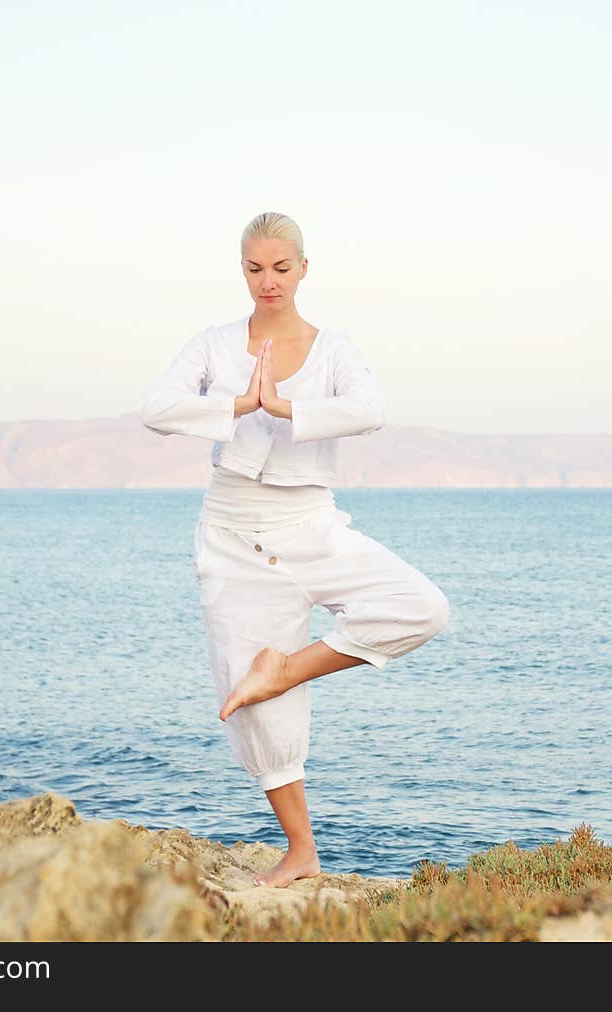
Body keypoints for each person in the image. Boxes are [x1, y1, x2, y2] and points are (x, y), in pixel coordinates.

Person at [141, 211, 450, 888]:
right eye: (255, 268)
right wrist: (238, 403)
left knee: (421, 607)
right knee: (246, 702)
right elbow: (157, 410)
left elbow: (372, 408)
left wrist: (285, 410)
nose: (268, 281)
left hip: (312, 526)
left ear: (303, 268)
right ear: (241, 270)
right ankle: (301, 851)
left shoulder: (334, 348)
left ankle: (288, 669)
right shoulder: (215, 344)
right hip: (231, 535)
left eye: (281, 267)